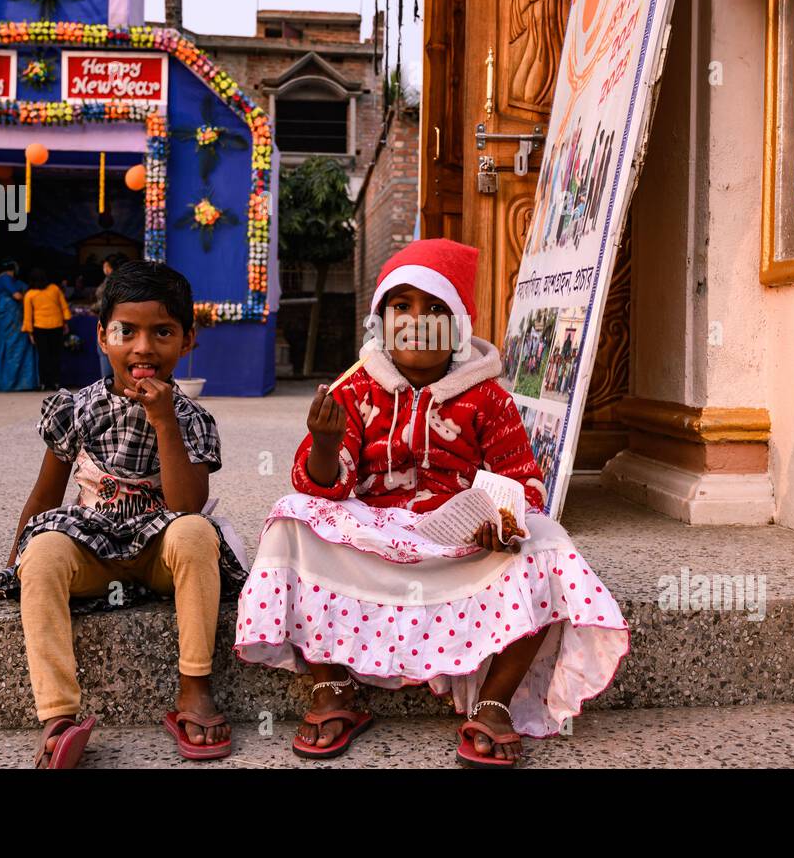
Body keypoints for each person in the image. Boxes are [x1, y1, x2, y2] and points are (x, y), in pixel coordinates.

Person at [234, 239, 628, 768]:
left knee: (548, 544)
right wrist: (326, 444)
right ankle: (332, 690)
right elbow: (321, 484)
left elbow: (523, 483)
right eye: (402, 307)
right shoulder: (355, 393)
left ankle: (493, 703)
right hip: (374, 539)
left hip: (458, 547)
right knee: (291, 518)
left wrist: (501, 522)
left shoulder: (488, 398)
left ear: (459, 328)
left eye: (436, 311)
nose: (417, 322)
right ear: (380, 321)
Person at [0, 261, 249, 768]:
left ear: (187, 340)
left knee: (196, 532)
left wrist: (164, 422)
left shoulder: (193, 419)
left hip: (161, 556)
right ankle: (58, 717)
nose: (143, 348)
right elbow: (45, 497)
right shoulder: (76, 409)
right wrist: (9, 574)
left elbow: (184, 506)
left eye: (163, 332)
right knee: (44, 548)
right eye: (125, 331)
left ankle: (194, 689)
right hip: (94, 555)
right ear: (101, 336)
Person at [0, 259, 38, 391]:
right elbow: (17, 295)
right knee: (15, 346)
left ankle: (11, 382)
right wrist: (30, 299)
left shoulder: (2, 279)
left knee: (11, 345)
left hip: (9, 314)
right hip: (11, 315)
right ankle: (12, 382)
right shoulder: (6, 278)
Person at [23, 267, 71, 392]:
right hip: (57, 326)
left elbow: (28, 316)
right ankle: (56, 382)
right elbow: (64, 306)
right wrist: (66, 322)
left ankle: (44, 383)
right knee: (56, 355)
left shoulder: (29, 294)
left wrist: (29, 332)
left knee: (43, 357)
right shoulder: (54, 289)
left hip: (39, 328)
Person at [95, 253, 129, 382]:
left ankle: (111, 386)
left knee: (108, 352)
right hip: (116, 322)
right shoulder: (124, 280)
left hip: (113, 323)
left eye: (105, 266)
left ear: (109, 267)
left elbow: (105, 302)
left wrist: (94, 307)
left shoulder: (113, 282)